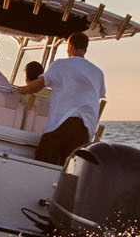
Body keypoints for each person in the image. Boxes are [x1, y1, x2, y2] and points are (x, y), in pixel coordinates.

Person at [16, 32, 106, 165]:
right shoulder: (98, 73)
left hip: (62, 123)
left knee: (43, 160)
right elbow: (98, 96)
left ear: (70, 46)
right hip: (85, 128)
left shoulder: (60, 65)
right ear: (85, 48)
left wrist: (19, 90)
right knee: (68, 167)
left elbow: (35, 87)